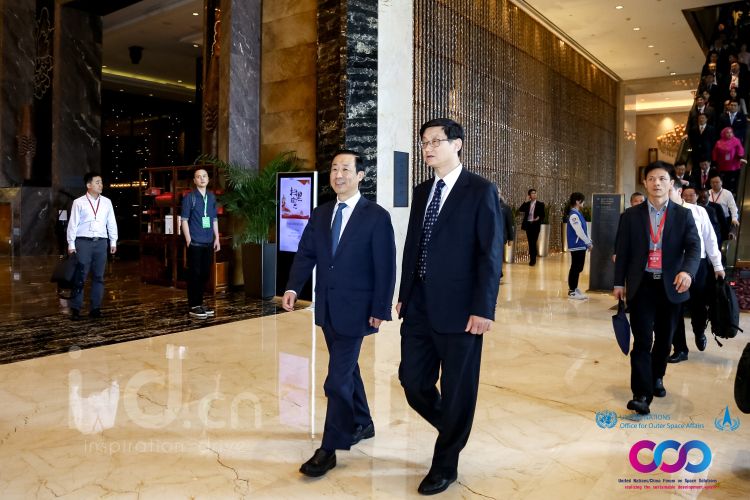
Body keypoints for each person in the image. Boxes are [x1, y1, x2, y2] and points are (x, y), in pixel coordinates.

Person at [397, 118, 503, 495]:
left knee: (458, 388)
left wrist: (484, 308)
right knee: (412, 381)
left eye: (435, 141)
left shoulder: (481, 190)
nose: (428, 148)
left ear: (457, 144)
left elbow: (490, 254)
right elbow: (414, 245)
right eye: (424, 142)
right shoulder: (422, 191)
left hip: (462, 309)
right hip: (419, 304)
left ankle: (445, 463)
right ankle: (454, 428)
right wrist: (404, 292)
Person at [282, 149, 396, 478]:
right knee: (347, 370)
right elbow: (306, 254)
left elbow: (385, 266)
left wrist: (380, 307)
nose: (339, 174)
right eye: (334, 168)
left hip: (358, 310)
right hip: (328, 308)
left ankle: (330, 448)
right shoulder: (321, 214)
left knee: (336, 380)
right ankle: (363, 421)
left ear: (360, 175)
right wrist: (293, 288)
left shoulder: (375, 216)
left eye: (346, 169)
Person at [613, 161, 700, 415]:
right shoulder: (631, 216)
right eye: (651, 178)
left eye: (662, 178)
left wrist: (687, 271)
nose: (656, 183)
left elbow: (694, 248)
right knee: (642, 340)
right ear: (645, 183)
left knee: (664, 339)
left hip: (671, 285)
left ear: (671, 183)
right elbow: (623, 251)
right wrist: (618, 283)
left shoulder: (683, 215)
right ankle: (641, 394)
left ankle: (657, 376)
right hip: (642, 285)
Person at [668, 185, 725, 363]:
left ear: (678, 191)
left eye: (669, 190)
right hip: (673, 265)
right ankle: (680, 349)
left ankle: (699, 332)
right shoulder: (662, 213)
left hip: (697, 264)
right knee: (675, 307)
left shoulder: (698, 211)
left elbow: (710, 238)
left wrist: (717, 265)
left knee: (698, 304)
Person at [66, 172, 118, 320]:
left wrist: (113, 241)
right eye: (97, 182)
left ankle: (95, 309)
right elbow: (73, 224)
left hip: (101, 242)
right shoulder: (79, 202)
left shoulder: (107, 202)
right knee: (80, 276)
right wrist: (71, 244)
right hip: (83, 242)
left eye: (101, 182)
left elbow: (111, 222)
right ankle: (75, 309)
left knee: (99, 277)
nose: (100, 185)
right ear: (88, 185)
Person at [180, 168, 220, 319]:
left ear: (208, 179)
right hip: (195, 242)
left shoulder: (211, 197)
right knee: (194, 274)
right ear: (194, 180)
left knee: (204, 274)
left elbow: (214, 219)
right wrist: (188, 239)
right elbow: (184, 220)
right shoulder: (189, 198)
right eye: (198, 177)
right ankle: (193, 305)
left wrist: (217, 238)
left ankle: (200, 303)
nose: (202, 179)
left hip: (208, 241)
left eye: (204, 176)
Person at [566, 192, 592, 300]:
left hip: (581, 245)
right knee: (575, 267)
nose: (583, 203)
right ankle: (572, 291)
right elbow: (579, 231)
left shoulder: (578, 213)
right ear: (577, 201)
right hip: (576, 245)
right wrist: (588, 242)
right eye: (582, 200)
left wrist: (588, 240)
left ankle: (575, 288)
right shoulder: (573, 215)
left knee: (578, 267)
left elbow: (584, 229)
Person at [712, 126, 746, 195]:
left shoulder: (736, 141)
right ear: (724, 134)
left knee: (732, 183)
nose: (729, 134)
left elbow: (740, 150)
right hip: (722, 166)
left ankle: (732, 194)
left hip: (733, 166)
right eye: (727, 133)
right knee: (724, 182)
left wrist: (740, 156)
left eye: (731, 132)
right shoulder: (718, 142)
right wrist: (714, 161)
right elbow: (715, 153)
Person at [708, 171, 740, 241]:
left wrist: (734, 218)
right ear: (710, 184)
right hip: (710, 220)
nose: (715, 184)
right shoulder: (707, 193)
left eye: (717, 182)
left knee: (722, 239)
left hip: (724, 220)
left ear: (721, 182)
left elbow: (733, 208)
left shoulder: (727, 193)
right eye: (713, 182)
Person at [518, 188, 545, 266]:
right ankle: (532, 258)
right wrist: (525, 201)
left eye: (535, 193)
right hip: (528, 225)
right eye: (532, 193)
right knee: (530, 242)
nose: (534, 194)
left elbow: (543, 215)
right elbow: (520, 209)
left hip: (535, 225)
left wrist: (538, 217)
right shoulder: (527, 204)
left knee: (533, 242)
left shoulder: (540, 204)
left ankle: (533, 259)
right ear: (529, 195)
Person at [498, 192, 515, 281]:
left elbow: (509, 223)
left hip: (501, 236)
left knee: (498, 255)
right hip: (488, 236)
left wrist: (511, 238)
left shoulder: (505, 207)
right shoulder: (486, 204)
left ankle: (498, 273)